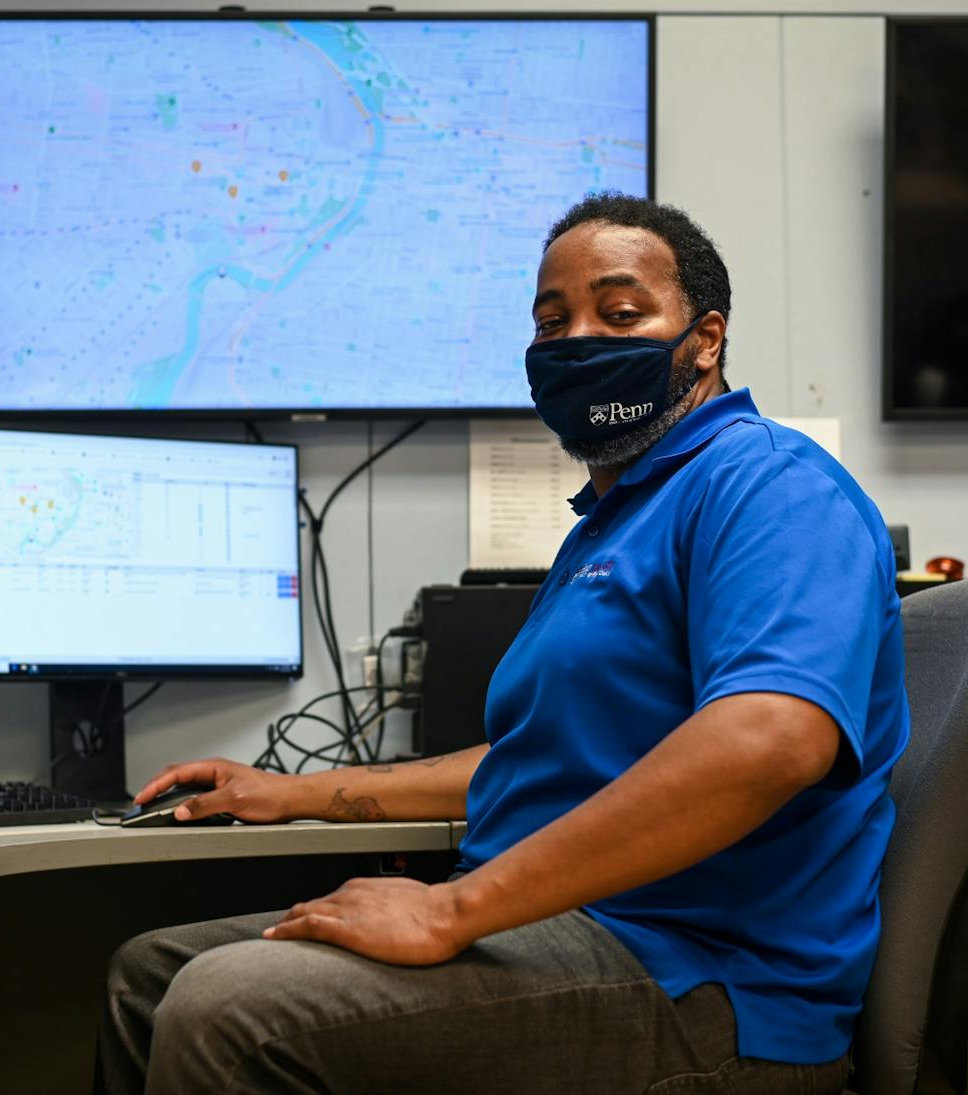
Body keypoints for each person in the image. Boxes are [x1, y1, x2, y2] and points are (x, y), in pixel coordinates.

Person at [96, 193, 909, 1094]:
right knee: (149, 975)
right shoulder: (613, 521)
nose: (577, 340)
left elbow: (772, 739)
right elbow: (541, 759)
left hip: (708, 981)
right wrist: (292, 792)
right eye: (552, 322)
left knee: (228, 1010)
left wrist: (451, 910)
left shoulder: (771, 485)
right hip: (568, 927)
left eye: (620, 313)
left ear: (706, 338)